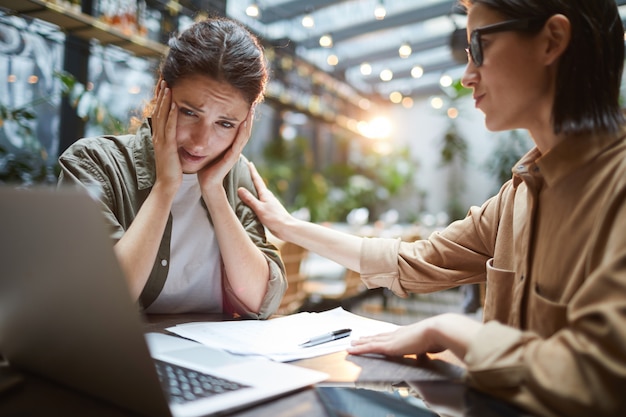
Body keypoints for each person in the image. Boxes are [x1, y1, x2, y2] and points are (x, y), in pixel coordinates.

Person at [237, 0, 626, 415]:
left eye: (478, 47)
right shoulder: (520, 193)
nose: (467, 75)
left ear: (552, 41)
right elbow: (413, 260)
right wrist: (289, 226)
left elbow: (597, 379)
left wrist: (453, 329)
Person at [58, 17, 286, 319]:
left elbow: (260, 301)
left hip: (213, 363)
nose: (201, 142)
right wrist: (165, 187)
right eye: (190, 112)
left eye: (225, 124)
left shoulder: (237, 177)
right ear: (160, 93)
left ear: (245, 124)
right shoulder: (93, 164)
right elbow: (104, 300)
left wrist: (214, 191)